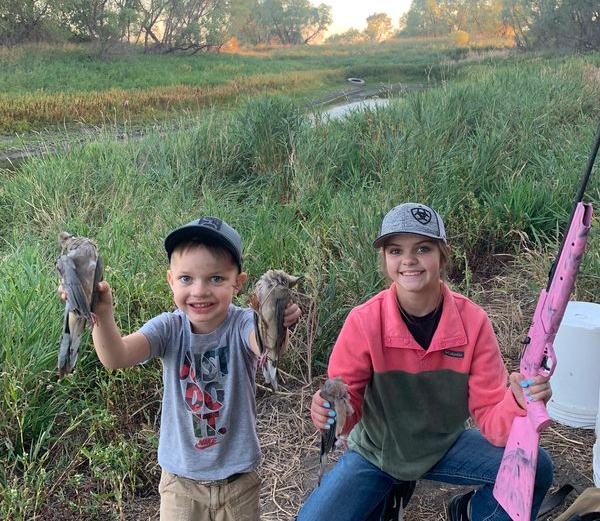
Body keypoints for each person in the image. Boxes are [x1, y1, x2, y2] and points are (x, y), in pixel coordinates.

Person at [297, 202, 554, 521]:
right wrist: (329, 411)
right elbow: (345, 408)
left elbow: (491, 419)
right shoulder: (364, 322)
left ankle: (469, 511)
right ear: (384, 259)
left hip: (444, 446)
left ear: (443, 255)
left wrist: (517, 403)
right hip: (377, 454)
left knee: (536, 466)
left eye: (423, 248)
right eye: (396, 250)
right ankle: (389, 493)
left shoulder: (473, 322)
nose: (409, 260)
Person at [59, 216, 301, 521]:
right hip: (181, 486)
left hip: (238, 484)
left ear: (238, 283)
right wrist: (102, 311)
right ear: (171, 280)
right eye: (186, 278)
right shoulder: (169, 328)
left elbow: (265, 344)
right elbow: (116, 356)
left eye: (216, 279)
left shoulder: (241, 324)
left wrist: (275, 316)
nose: (200, 291)